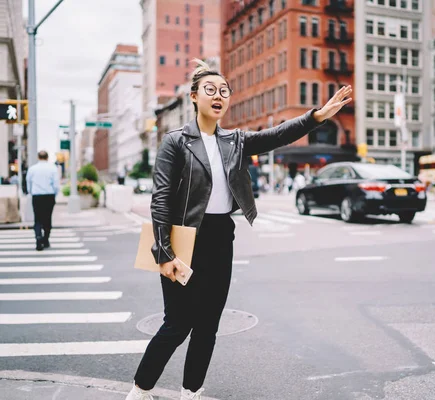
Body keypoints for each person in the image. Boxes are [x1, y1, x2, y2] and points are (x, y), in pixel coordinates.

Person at [126, 59, 352, 400]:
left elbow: (277, 134)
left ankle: (191, 391)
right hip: (183, 236)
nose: (219, 96)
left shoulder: (236, 141)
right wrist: (165, 251)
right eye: (210, 90)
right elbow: (160, 200)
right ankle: (141, 389)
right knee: (177, 323)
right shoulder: (176, 142)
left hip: (220, 236)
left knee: (207, 325)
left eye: (224, 91)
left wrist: (316, 116)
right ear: (194, 97)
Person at [25, 151, 59, 251]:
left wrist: (30, 192)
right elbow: (56, 184)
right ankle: (46, 239)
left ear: (38, 157)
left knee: (38, 219)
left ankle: (38, 237)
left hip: (37, 196)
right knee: (47, 218)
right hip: (49, 195)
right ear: (47, 157)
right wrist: (54, 195)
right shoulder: (53, 168)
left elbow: (28, 182)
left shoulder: (32, 169)